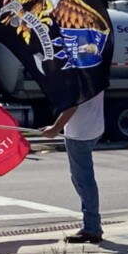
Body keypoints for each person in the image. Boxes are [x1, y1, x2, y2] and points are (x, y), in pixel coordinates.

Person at [41, 91, 105, 243]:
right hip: (94, 127)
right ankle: (92, 225)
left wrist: (55, 128)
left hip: (79, 133)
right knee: (83, 179)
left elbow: (72, 105)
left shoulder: (76, 74)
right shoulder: (93, 70)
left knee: (83, 180)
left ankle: (92, 228)